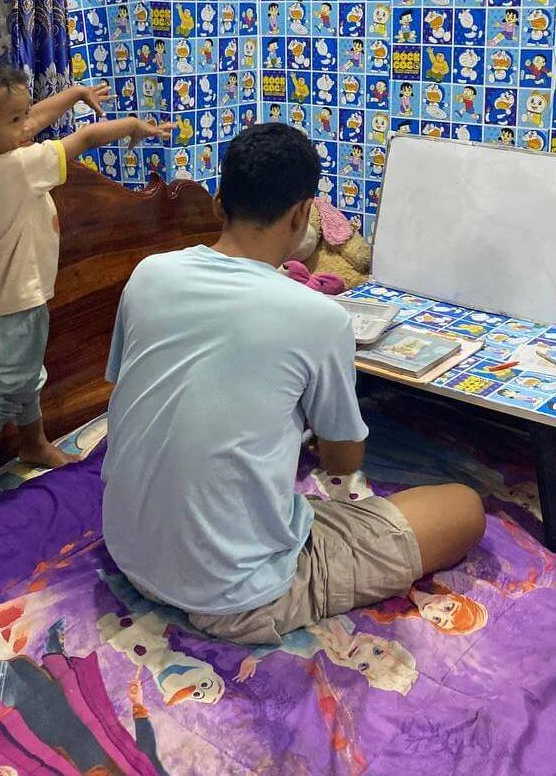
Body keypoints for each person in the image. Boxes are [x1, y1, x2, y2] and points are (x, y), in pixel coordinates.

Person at [101, 123, 484, 645]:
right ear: (303, 215)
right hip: (233, 595)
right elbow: (342, 461)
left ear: (218, 202)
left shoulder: (149, 273)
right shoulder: (318, 316)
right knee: (464, 508)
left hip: (129, 550)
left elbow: (136, 390)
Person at [0, 54, 174, 504]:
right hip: (14, 303)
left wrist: (75, 93)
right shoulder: (15, 167)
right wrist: (131, 126)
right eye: (16, 120)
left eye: (24, 114)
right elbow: (83, 139)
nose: (28, 126)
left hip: (19, 295)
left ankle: (34, 444)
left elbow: (36, 117)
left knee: (26, 377)